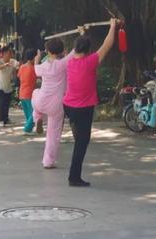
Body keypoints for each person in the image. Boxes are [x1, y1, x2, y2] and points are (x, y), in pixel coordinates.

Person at [62, 18, 118, 187]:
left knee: (79, 138)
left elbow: (77, 48)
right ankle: (74, 177)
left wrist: (82, 34)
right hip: (82, 108)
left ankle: (74, 175)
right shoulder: (90, 61)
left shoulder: (70, 61)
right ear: (88, 50)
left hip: (69, 107)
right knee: (81, 143)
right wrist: (113, 26)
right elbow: (107, 44)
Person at [32, 39, 75, 168]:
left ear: (48, 51)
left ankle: (37, 117)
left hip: (41, 101)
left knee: (35, 92)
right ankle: (48, 162)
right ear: (61, 51)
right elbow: (74, 52)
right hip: (56, 105)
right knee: (53, 134)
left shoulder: (43, 66)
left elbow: (35, 68)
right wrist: (82, 33)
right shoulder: (63, 64)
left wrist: (37, 58)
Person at [0, 46, 20, 127]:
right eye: (8, 53)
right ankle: (0, 120)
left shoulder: (13, 61)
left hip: (8, 87)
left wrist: (17, 68)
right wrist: (5, 65)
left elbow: (18, 66)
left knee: (7, 103)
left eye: (10, 53)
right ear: (3, 54)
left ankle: (6, 119)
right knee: (2, 102)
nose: (10, 55)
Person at [17, 49, 38, 134]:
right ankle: (27, 128)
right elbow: (38, 78)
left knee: (28, 113)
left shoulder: (22, 67)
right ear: (34, 58)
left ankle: (30, 127)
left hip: (22, 92)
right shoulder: (33, 68)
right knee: (33, 112)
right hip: (29, 93)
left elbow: (19, 76)